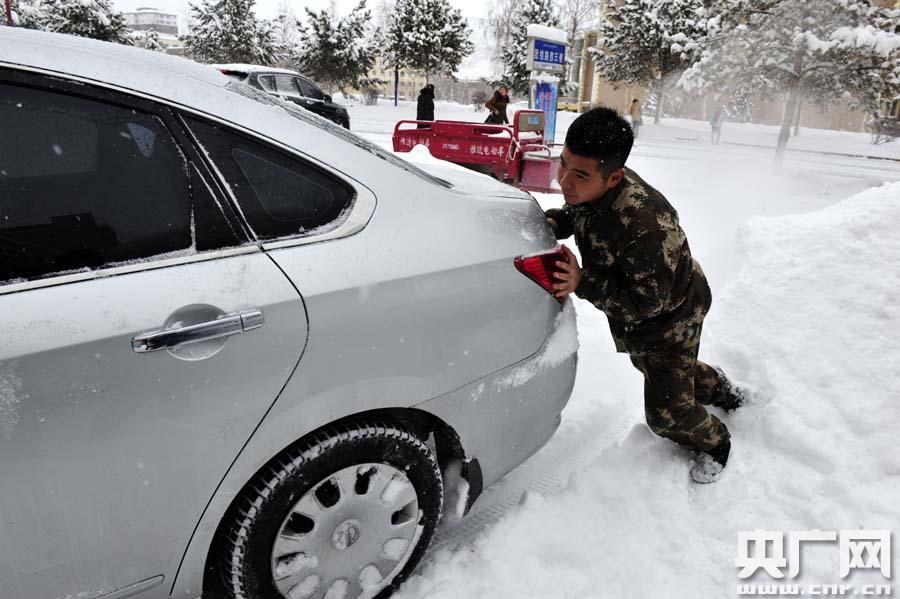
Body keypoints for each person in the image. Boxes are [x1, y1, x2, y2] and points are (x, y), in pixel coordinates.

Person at [544, 107, 745, 484]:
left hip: (671, 318)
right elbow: (578, 210)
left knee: (666, 415)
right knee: (658, 371)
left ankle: (717, 442)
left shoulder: (646, 225)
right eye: (563, 164)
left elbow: (647, 304)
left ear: (614, 177)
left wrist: (582, 282)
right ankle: (719, 389)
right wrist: (556, 222)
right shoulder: (595, 184)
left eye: (580, 175)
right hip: (647, 315)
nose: (565, 181)